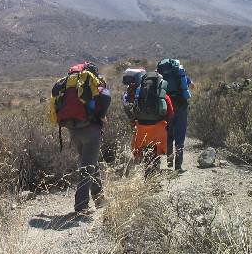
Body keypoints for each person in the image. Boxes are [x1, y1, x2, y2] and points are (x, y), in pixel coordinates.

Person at [51, 62, 111, 213]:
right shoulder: (92, 83)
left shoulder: (70, 84)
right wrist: (103, 116)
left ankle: (99, 198)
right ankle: (81, 206)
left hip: (73, 128)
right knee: (87, 167)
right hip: (91, 130)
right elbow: (106, 97)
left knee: (90, 162)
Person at [122, 68, 174, 175]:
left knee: (145, 150)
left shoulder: (139, 93)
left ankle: (147, 174)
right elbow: (171, 113)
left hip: (142, 128)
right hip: (158, 128)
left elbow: (133, 110)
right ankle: (153, 177)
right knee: (156, 152)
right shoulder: (162, 95)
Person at [156, 59, 192, 173]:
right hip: (181, 105)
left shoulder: (161, 76)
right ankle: (178, 166)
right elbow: (189, 85)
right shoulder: (179, 74)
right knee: (180, 134)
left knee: (168, 132)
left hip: (166, 105)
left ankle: (169, 161)